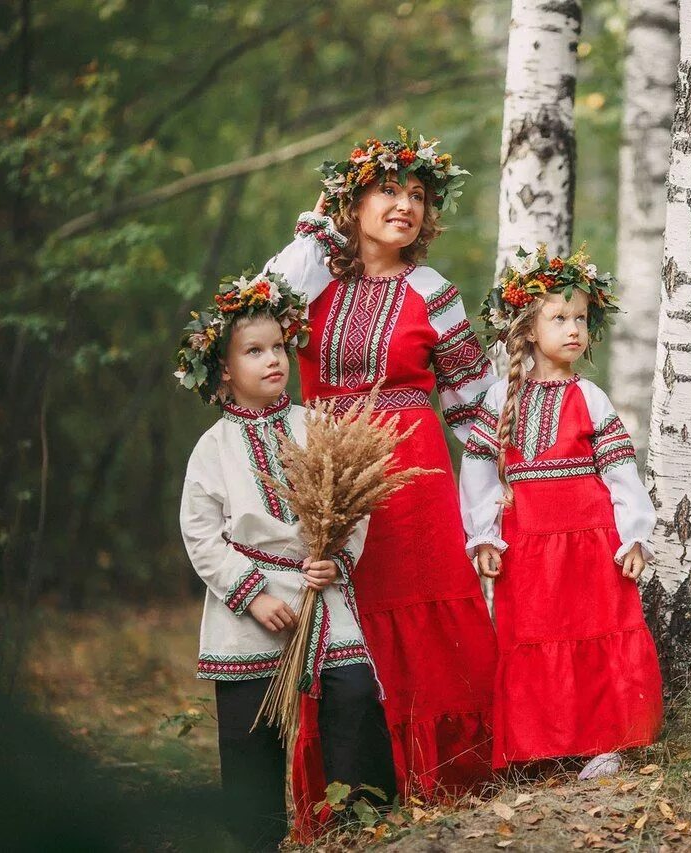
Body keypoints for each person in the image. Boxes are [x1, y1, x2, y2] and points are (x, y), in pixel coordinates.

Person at [260, 128, 499, 809]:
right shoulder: (310, 284)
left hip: (415, 477)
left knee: (421, 608)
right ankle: (352, 786)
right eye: (388, 190)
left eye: (418, 196)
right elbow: (250, 309)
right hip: (330, 475)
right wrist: (315, 236)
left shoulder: (432, 290)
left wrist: (498, 499)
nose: (406, 205)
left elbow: (473, 405)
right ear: (352, 203)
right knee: (340, 615)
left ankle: (447, 773)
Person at [175, 273, 395, 850]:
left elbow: (353, 504)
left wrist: (336, 559)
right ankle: (255, 838)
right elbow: (200, 535)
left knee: (352, 695)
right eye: (254, 351)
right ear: (224, 369)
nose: (273, 360)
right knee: (251, 733)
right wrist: (252, 594)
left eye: (278, 347)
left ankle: (363, 827)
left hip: (318, 587)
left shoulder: (314, 427)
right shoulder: (212, 448)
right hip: (247, 604)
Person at [458, 246, 663, 778]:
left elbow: (621, 475)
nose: (574, 329)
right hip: (527, 545)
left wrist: (634, 536)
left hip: (593, 543)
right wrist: (483, 536)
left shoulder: (590, 396)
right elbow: (478, 471)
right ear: (527, 330)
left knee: (599, 627)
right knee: (532, 633)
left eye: (581, 319)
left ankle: (607, 740)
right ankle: (539, 744)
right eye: (559, 318)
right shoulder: (501, 397)